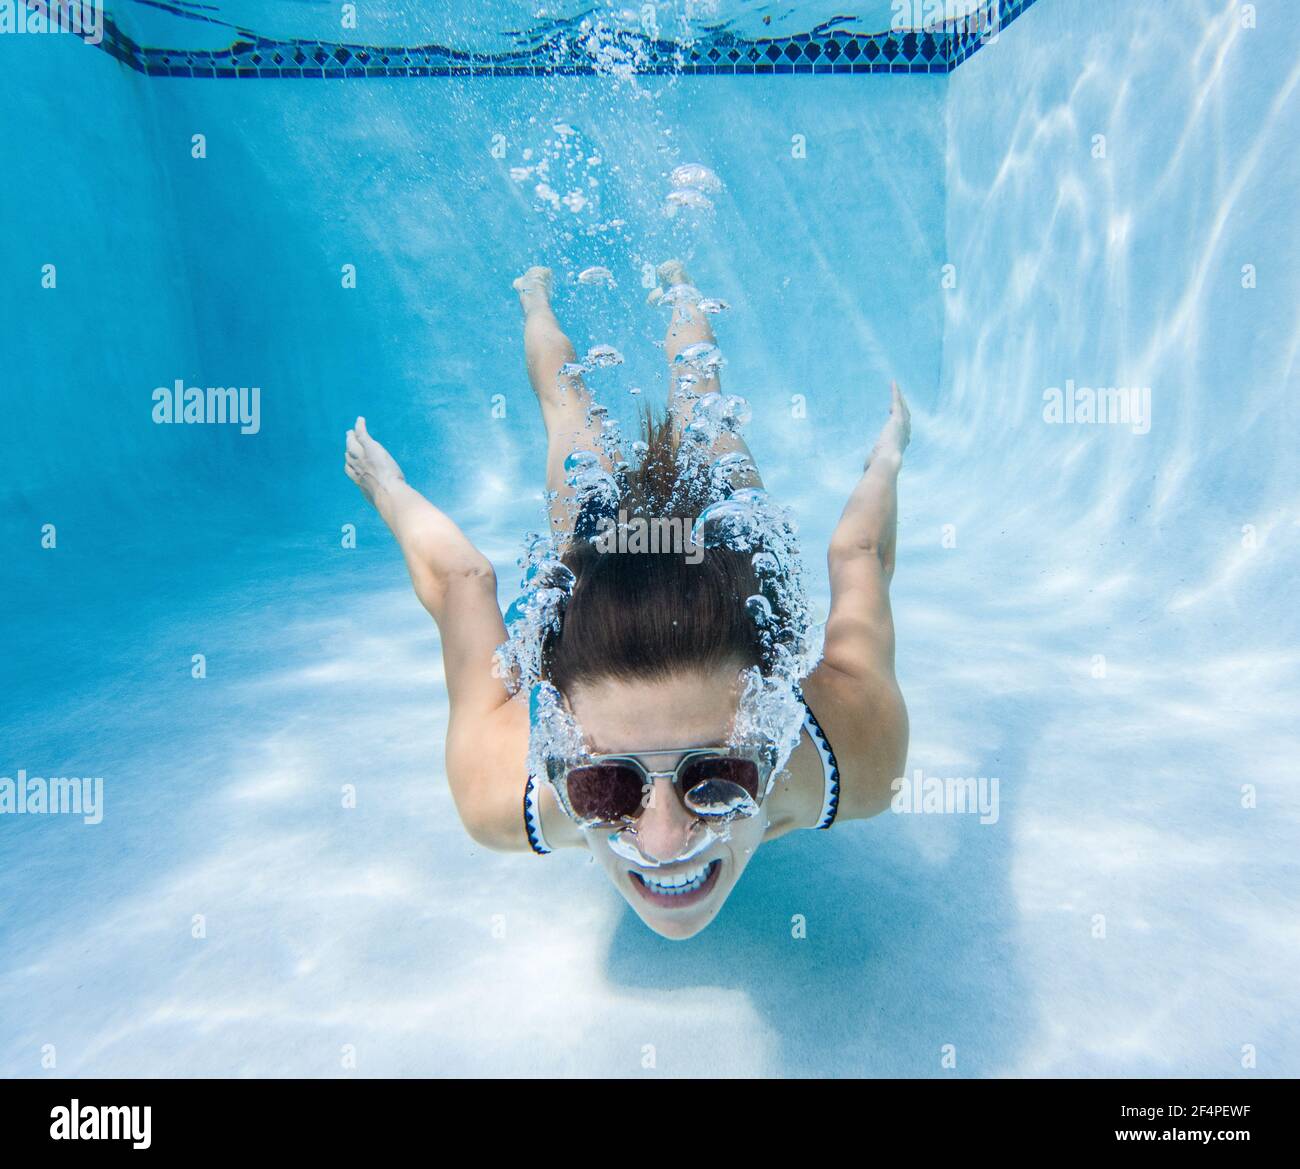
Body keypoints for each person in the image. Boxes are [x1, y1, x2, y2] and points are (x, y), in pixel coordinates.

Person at [344, 261, 909, 939]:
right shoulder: (506, 789)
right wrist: (388, 489)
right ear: (556, 746)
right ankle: (535, 298)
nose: (664, 843)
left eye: (720, 773)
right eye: (604, 784)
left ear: (774, 731)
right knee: (567, 407)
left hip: (725, 551)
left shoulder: (855, 749)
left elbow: (860, 555)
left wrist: (887, 460)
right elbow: (460, 580)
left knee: (703, 403)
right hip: (603, 552)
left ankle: (681, 290)